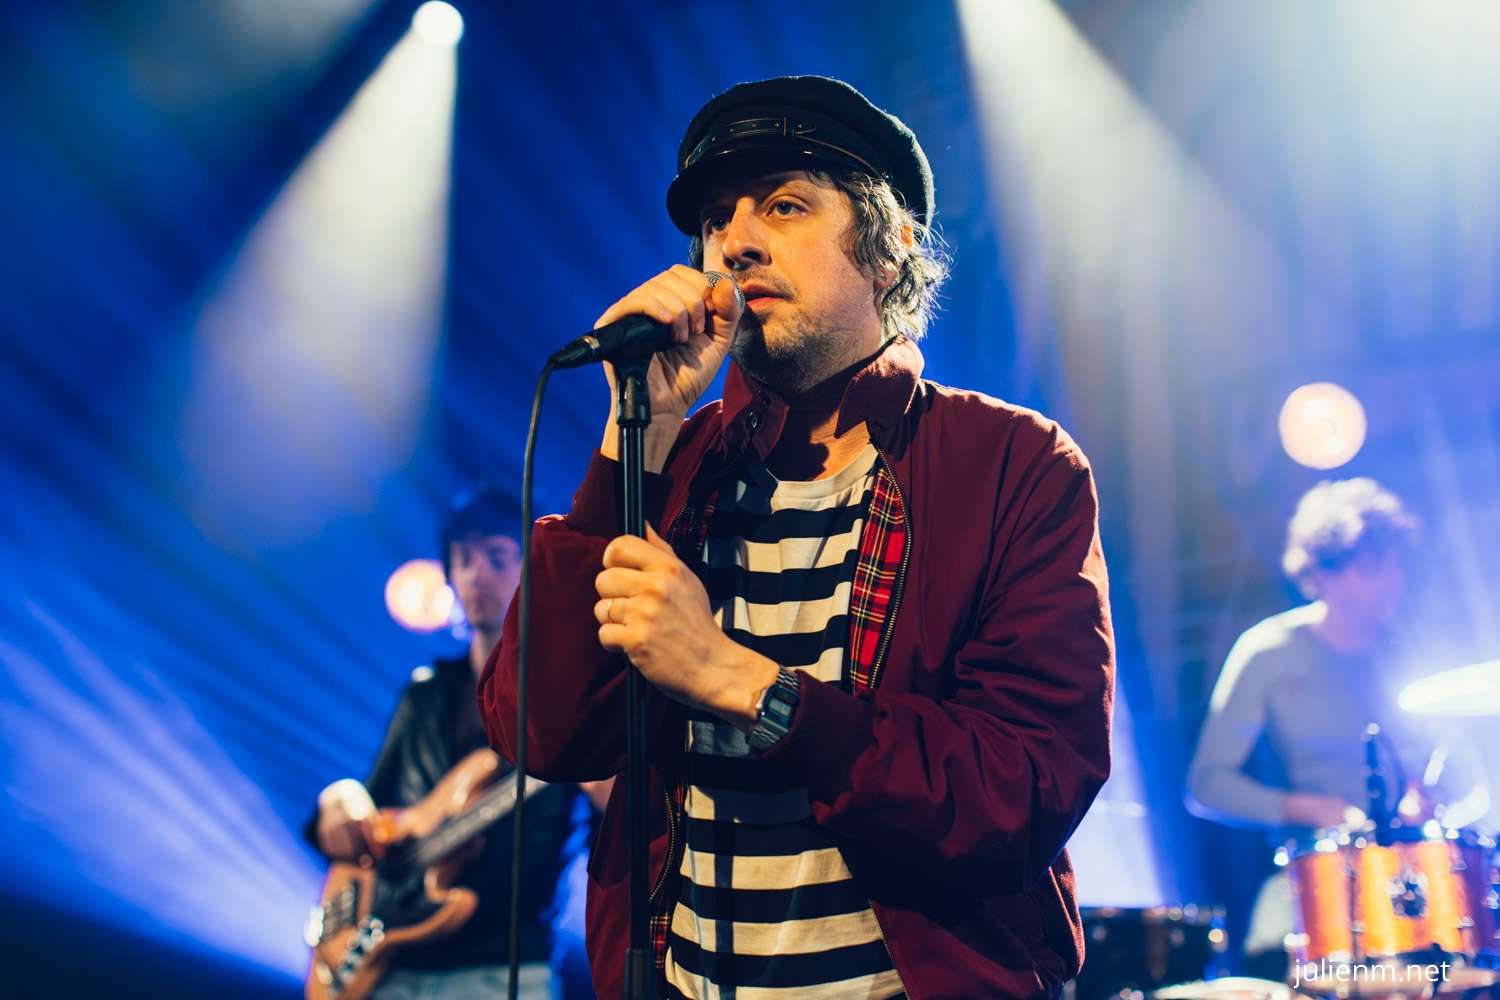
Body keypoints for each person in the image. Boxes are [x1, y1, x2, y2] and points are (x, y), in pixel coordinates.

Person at [479, 76, 1115, 999]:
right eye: (715, 221)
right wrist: (634, 438)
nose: (734, 243)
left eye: (784, 205)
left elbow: (1025, 786)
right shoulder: (674, 464)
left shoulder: (1012, 462)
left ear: (891, 248)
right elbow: (541, 729)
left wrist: (740, 682)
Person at [1186, 477, 1489, 966]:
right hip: (1319, 883)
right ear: (1322, 571)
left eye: (1393, 566)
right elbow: (1207, 784)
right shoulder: (1269, 651)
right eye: (1372, 568)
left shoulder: (1413, 645)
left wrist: (1435, 801)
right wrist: (1308, 807)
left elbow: (1470, 774)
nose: (1390, 581)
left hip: (1424, 879)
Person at [309, 484, 592, 1000]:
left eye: (497, 557)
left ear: (534, 569)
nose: (476, 574)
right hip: (390, 962)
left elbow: (621, 835)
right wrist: (338, 799)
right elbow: (373, 805)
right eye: (463, 559)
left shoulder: (571, 691)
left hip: (502, 967)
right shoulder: (426, 693)